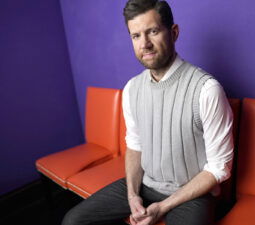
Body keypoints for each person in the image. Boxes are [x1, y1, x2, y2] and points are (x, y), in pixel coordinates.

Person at [62, 0, 233, 224]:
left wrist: (162, 207)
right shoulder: (132, 89)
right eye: (136, 36)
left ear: (174, 32)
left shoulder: (206, 90)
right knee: (72, 221)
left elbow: (219, 168)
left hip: (193, 194)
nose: (145, 44)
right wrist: (132, 195)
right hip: (145, 184)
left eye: (153, 31)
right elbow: (135, 145)